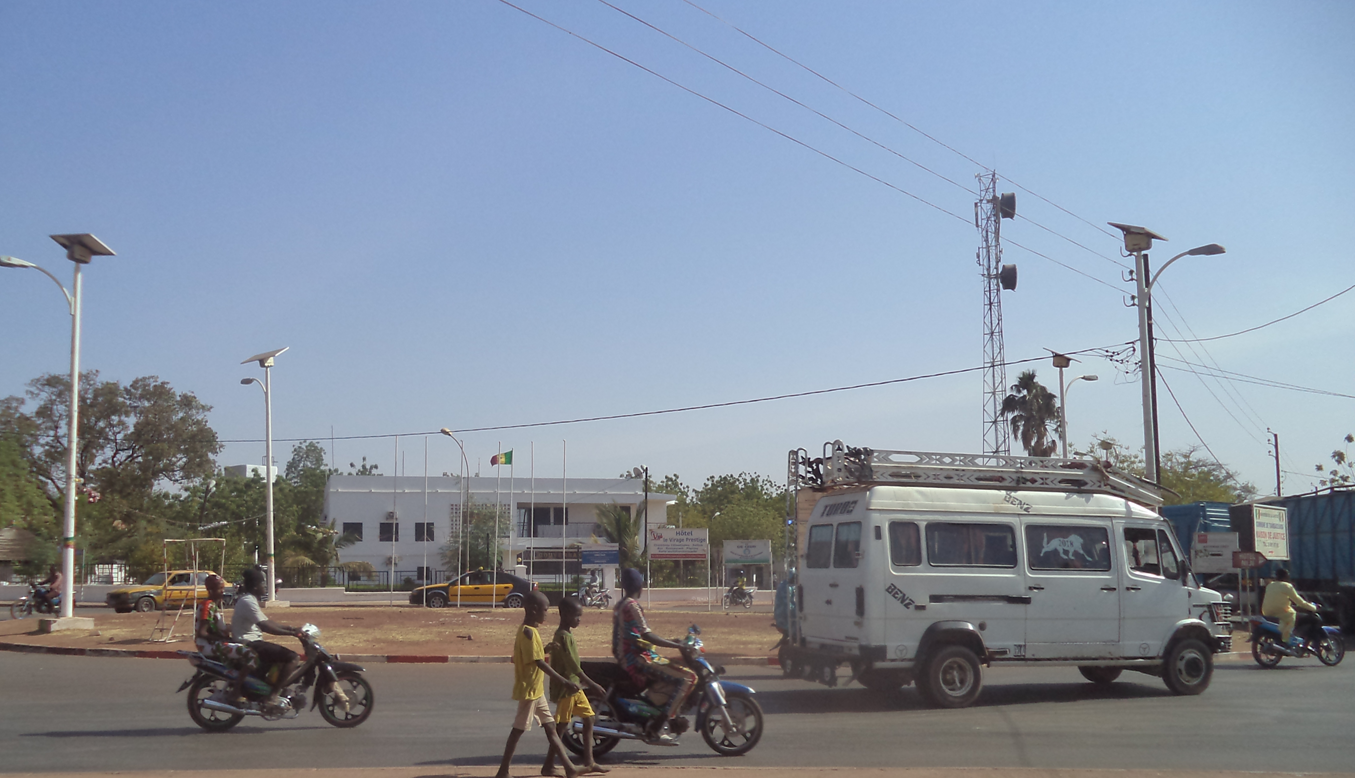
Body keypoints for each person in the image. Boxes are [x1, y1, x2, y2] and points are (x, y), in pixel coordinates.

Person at [495, 591, 580, 778]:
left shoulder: (529, 631)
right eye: (545, 610)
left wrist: (546, 648)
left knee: (551, 729)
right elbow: (538, 662)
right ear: (534, 610)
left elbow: (534, 655)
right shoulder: (529, 633)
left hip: (536, 689)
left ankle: (566, 768)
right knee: (518, 730)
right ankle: (503, 770)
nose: (547, 613)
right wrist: (564, 681)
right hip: (529, 690)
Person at [612, 568, 698, 743]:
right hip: (637, 658)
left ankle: (655, 711)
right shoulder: (632, 606)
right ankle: (659, 725)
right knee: (688, 677)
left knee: (672, 673)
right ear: (640, 586)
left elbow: (638, 635)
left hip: (631, 655)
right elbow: (647, 635)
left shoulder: (621, 604)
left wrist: (671, 641)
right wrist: (676, 645)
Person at [542, 597, 609, 776]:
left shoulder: (567, 635)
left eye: (580, 616)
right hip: (567, 687)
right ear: (564, 615)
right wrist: (592, 684)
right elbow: (572, 665)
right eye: (576, 616)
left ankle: (589, 761)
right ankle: (548, 765)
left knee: (589, 719)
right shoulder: (562, 637)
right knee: (561, 727)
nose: (579, 619)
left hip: (574, 687)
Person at [231, 567, 303, 705]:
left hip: (252, 641)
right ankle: (273, 695)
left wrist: (291, 628)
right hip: (250, 643)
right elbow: (265, 626)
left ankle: (268, 689)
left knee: (280, 659)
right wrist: (292, 634)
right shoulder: (248, 601)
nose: (265, 587)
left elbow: (267, 621)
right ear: (255, 586)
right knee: (293, 658)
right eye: (262, 584)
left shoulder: (250, 600)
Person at [195, 574, 255, 704]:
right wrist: (222, 640)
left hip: (213, 644)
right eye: (219, 589)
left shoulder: (212, 606)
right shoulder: (208, 606)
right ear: (210, 590)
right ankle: (236, 691)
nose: (222, 592)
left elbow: (220, 627)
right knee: (251, 654)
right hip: (209, 646)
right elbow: (202, 633)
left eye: (223, 588)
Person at [1262, 568, 1322, 649]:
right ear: (1286, 577)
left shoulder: (1270, 585)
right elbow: (1299, 602)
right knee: (1296, 617)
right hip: (1281, 612)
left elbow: (1277, 599)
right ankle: (1287, 640)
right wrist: (1313, 608)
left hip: (1267, 612)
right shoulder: (1287, 586)